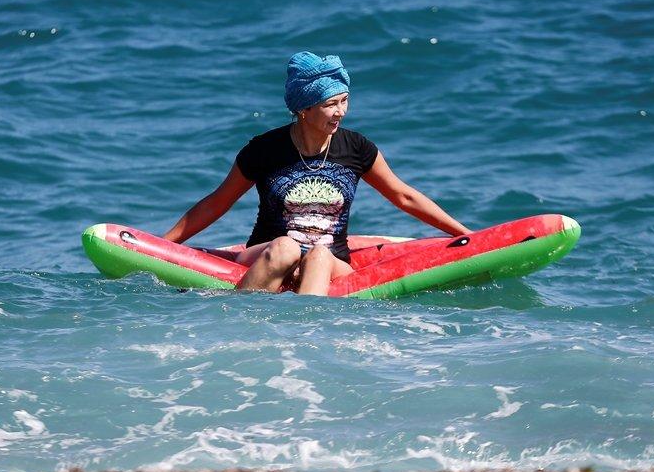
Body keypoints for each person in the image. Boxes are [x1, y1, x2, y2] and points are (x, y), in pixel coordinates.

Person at [162, 51, 470, 295]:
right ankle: (238, 322)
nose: (341, 112)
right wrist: (163, 245)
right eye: (330, 104)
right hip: (267, 255)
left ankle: (305, 340)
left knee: (319, 254)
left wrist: (466, 235)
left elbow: (404, 196)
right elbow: (218, 202)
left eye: (344, 101)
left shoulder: (357, 148)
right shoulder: (264, 150)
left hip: (331, 262)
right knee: (286, 247)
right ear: (303, 109)